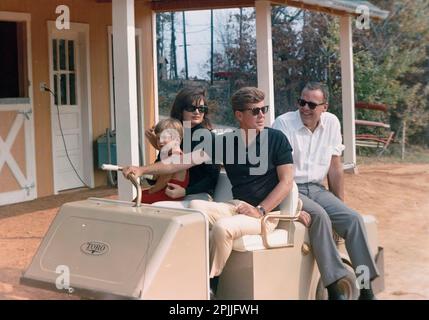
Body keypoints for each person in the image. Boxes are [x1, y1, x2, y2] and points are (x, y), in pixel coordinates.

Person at [123, 87, 306, 296]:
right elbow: (180, 162)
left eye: (263, 109)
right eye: (255, 111)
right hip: (236, 206)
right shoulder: (227, 141)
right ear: (239, 115)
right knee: (194, 207)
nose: (262, 115)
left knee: (222, 228)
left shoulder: (276, 139)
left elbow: (287, 182)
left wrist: (261, 210)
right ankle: (175, 270)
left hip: (266, 215)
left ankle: (209, 284)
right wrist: (141, 170)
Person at [273, 82, 379, 300]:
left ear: (324, 107)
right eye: (301, 102)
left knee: (353, 219)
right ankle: (334, 289)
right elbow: (276, 173)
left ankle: (365, 289)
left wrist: (340, 204)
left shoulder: (332, 123)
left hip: (317, 188)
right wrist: (289, 205)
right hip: (291, 188)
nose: (305, 108)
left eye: (311, 104)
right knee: (320, 216)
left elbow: (335, 167)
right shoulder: (283, 124)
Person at [145, 87, 220, 207]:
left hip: (196, 195)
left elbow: (211, 178)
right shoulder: (172, 134)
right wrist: (160, 148)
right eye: (191, 108)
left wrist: (185, 191)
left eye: (201, 109)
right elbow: (156, 177)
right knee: (134, 204)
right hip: (166, 191)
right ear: (180, 110)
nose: (197, 112)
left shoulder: (207, 138)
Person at [140, 118, 189, 204]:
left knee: (139, 199)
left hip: (169, 196)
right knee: (140, 196)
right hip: (165, 194)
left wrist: (151, 191)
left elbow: (163, 181)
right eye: (158, 138)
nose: (160, 142)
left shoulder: (175, 157)